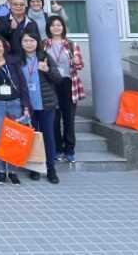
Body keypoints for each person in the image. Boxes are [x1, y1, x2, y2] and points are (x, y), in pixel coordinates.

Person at [0, 34, 28, 185]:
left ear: (4, 47)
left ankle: (13, 171)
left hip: (15, 102)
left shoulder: (13, 62)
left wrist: (26, 106)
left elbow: (22, 85)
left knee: (15, 138)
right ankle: (1, 171)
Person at [19, 32, 62, 184]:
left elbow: (58, 78)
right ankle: (34, 168)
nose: (29, 43)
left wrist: (47, 70)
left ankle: (51, 169)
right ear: (21, 43)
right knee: (30, 137)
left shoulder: (45, 57)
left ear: (37, 42)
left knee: (48, 137)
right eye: (25, 41)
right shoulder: (19, 60)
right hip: (28, 107)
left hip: (46, 105)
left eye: (32, 40)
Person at [45, 15, 84, 164]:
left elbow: (80, 66)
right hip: (51, 84)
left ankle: (70, 150)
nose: (56, 27)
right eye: (53, 25)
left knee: (69, 119)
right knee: (54, 118)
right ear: (49, 28)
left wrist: (77, 61)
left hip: (68, 84)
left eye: (59, 25)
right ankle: (57, 149)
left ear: (63, 28)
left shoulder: (72, 45)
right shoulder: (44, 45)